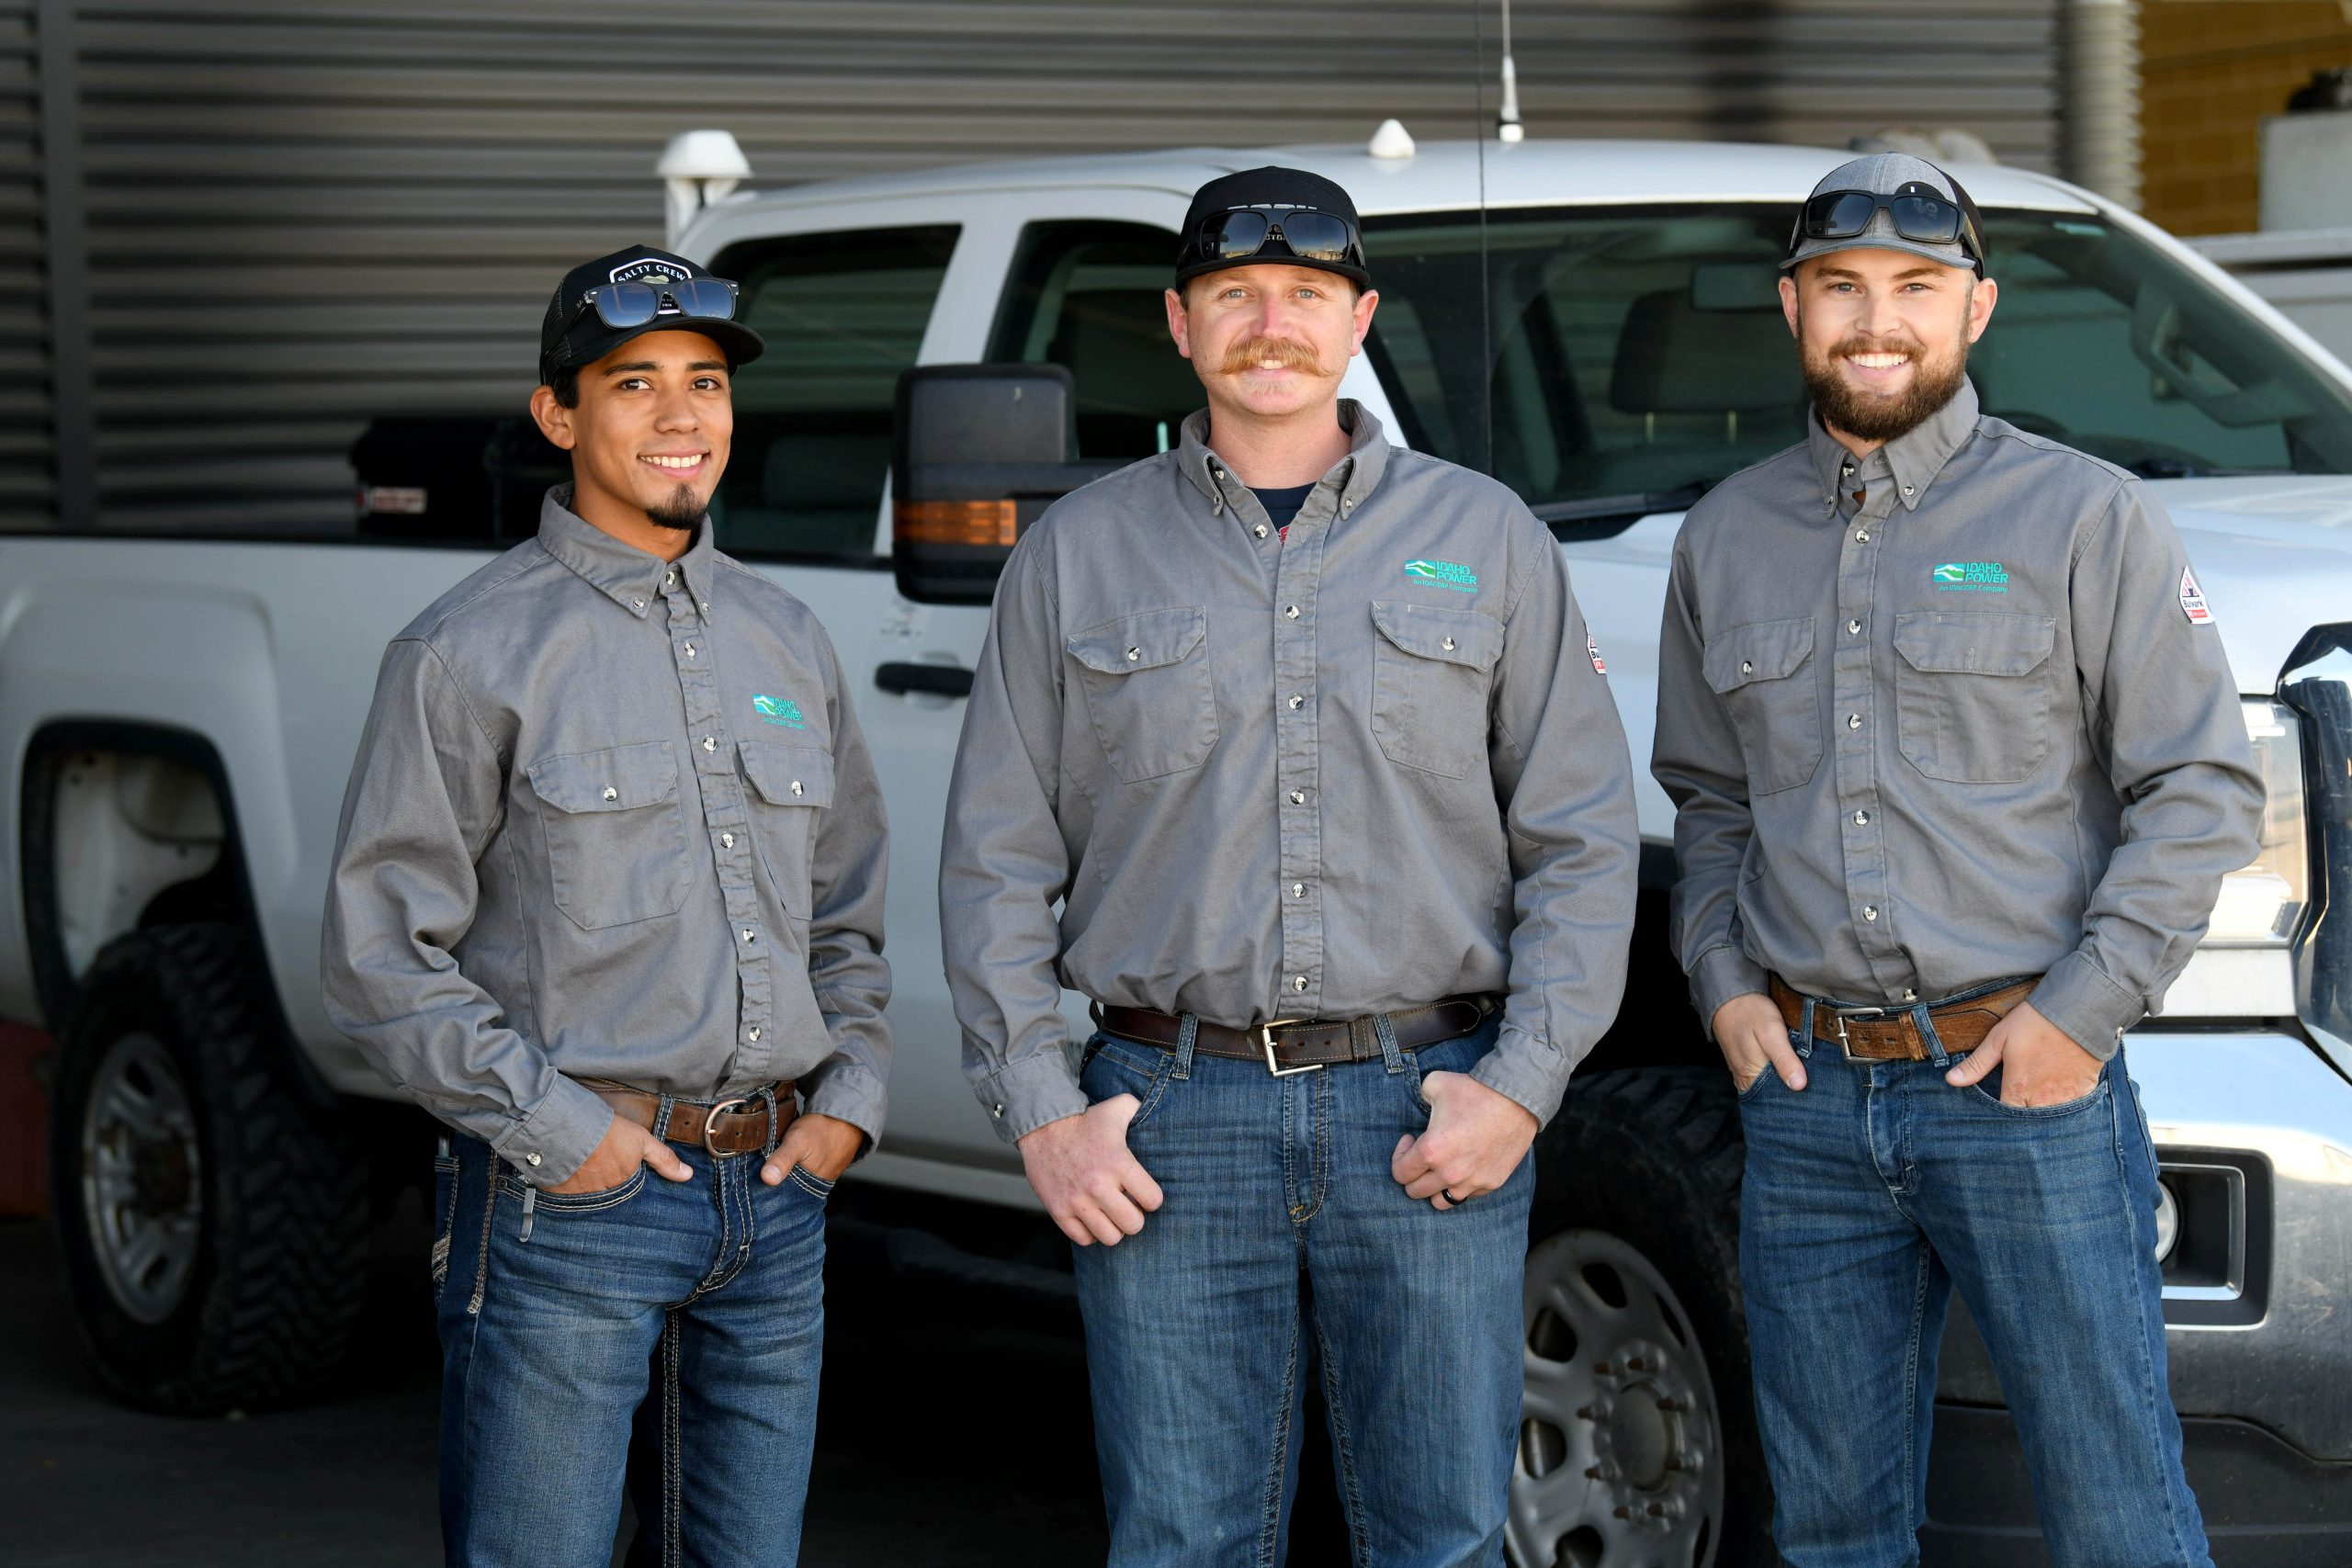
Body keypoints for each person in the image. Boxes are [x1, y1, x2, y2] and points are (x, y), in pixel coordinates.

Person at [939, 166, 1640, 1565]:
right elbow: (993, 864)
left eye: (1309, 295)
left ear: (1360, 317)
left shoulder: (1489, 539)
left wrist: (1521, 1088)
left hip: (1426, 1108)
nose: (1274, 324)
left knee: (1440, 1536)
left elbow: (1580, 838)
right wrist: (1038, 1106)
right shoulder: (1075, 557)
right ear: (1181, 324)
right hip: (1165, 1120)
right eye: (1235, 295)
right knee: (1184, 1539)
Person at [1651, 154, 2264, 1567]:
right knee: (1831, 1529)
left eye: (1916, 289)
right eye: (1844, 288)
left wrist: (2079, 1018)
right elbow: (1712, 801)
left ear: (1975, 310)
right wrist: (1727, 989)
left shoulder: (2085, 517)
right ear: (1792, 307)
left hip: (2025, 1087)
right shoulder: (1725, 538)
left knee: (2117, 1512)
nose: (1879, 321)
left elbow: (2200, 787)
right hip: (1806, 1101)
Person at [321, 245, 891, 1568]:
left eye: (704, 383)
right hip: (569, 1206)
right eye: (633, 384)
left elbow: (846, 912)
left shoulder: (790, 640)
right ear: (558, 417)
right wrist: (556, 1132)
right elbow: (378, 956)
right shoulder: (465, 653)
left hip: (779, 1205)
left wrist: (850, 1097)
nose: (682, 417)